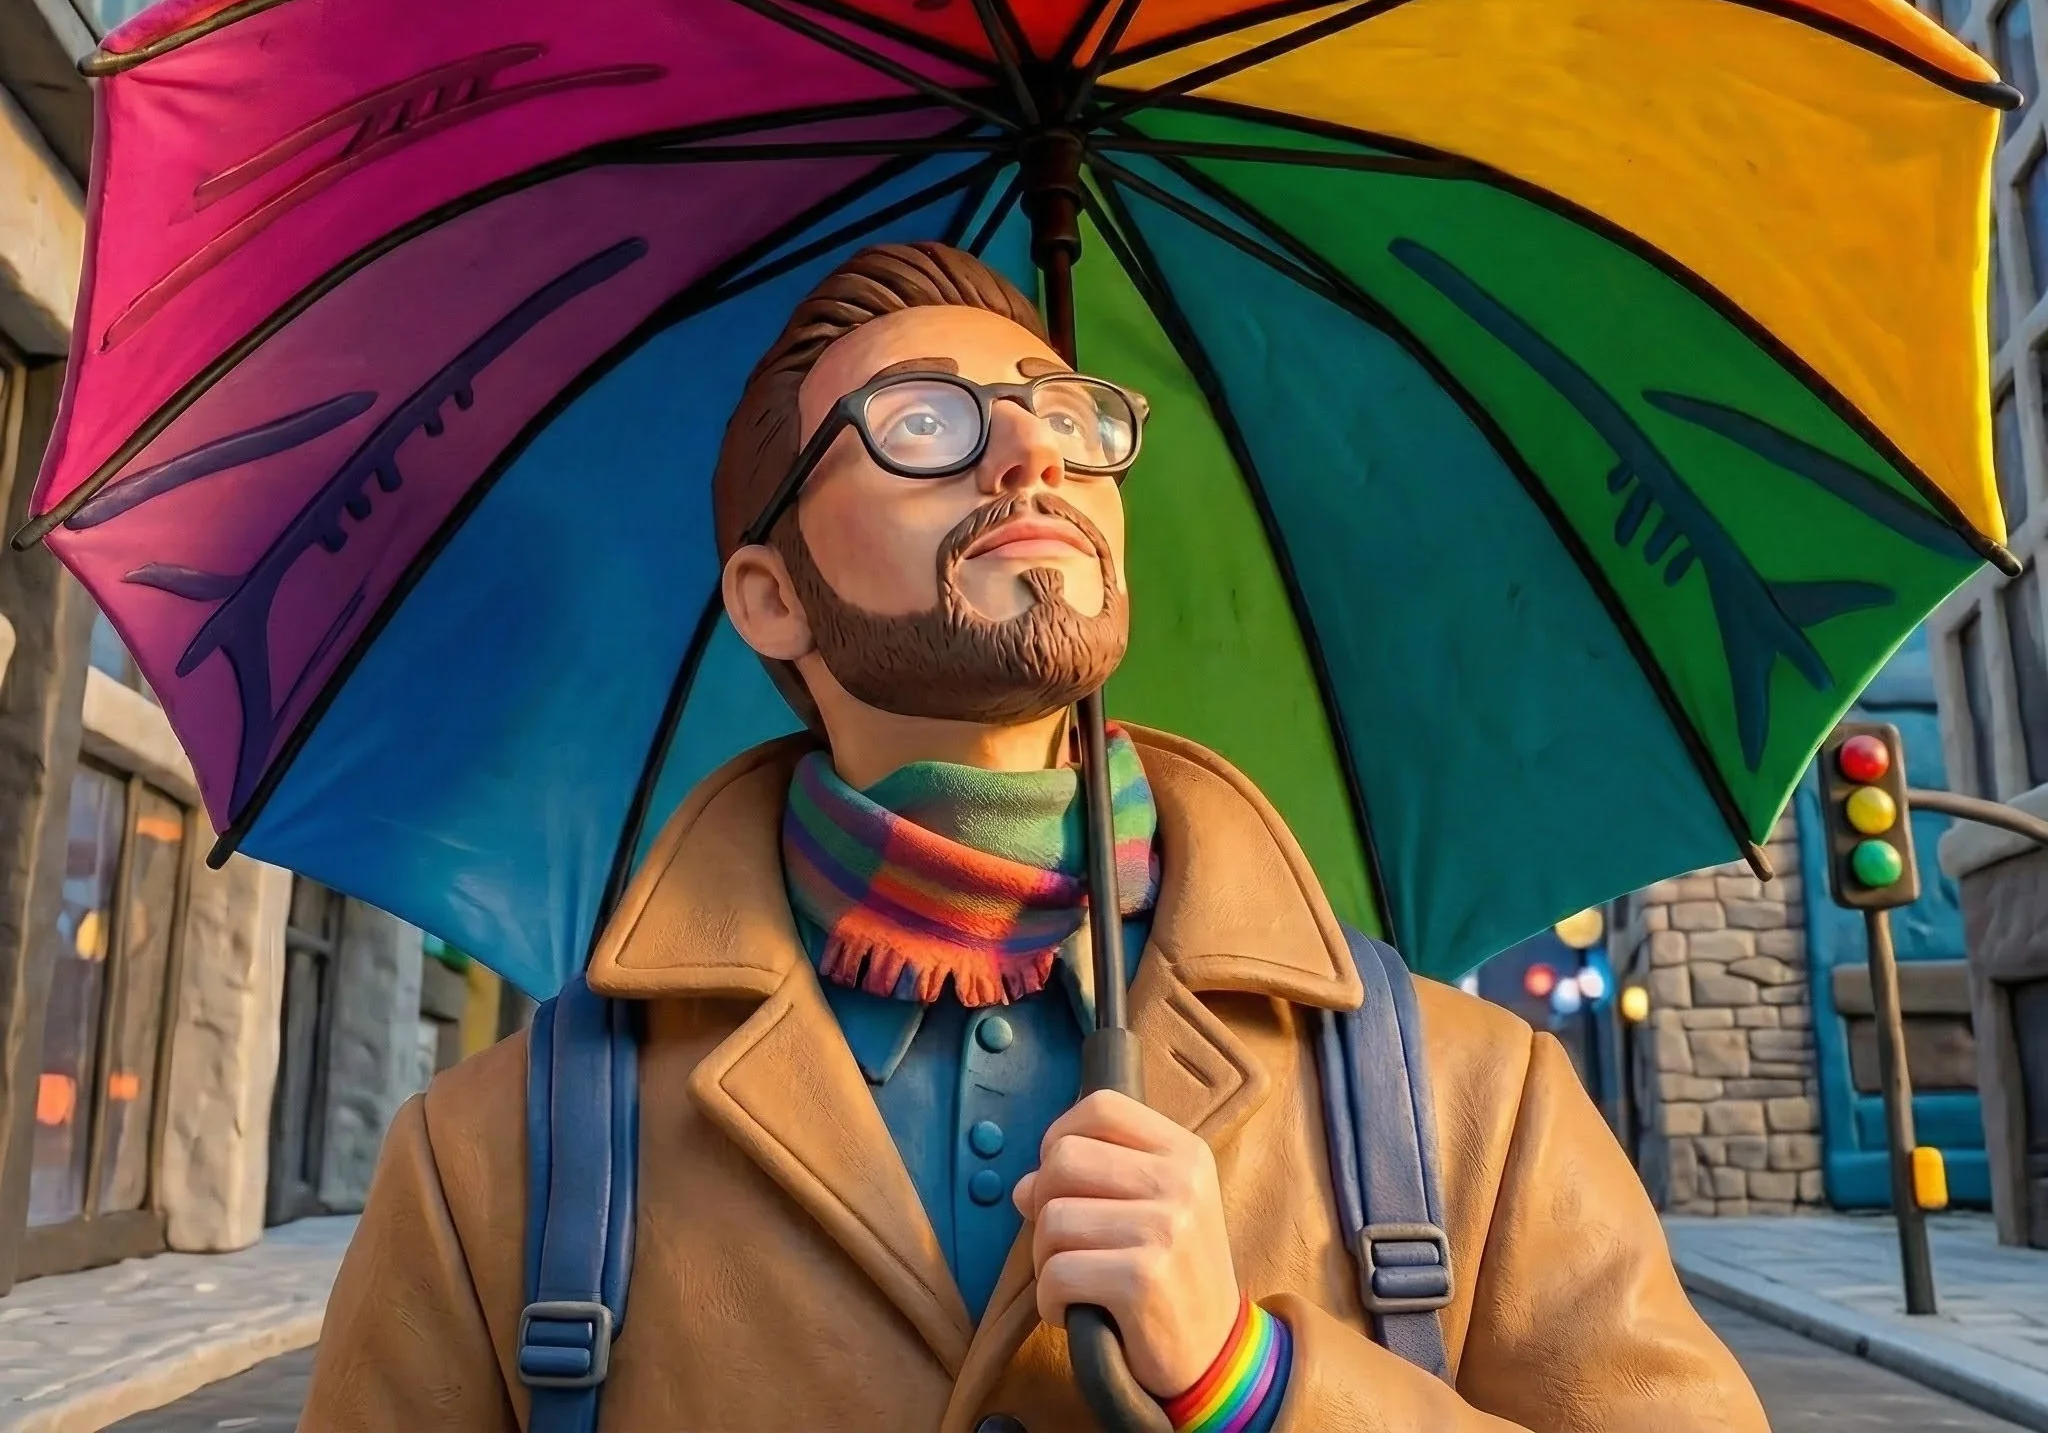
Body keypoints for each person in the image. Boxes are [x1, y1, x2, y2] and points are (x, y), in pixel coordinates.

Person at [301, 241, 1768, 1432]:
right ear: (772, 599)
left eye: (1065, 413)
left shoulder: (1472, 1108)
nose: (1029, 456)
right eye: (925, 423)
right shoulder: (491, 1165)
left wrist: (1258, 1387)